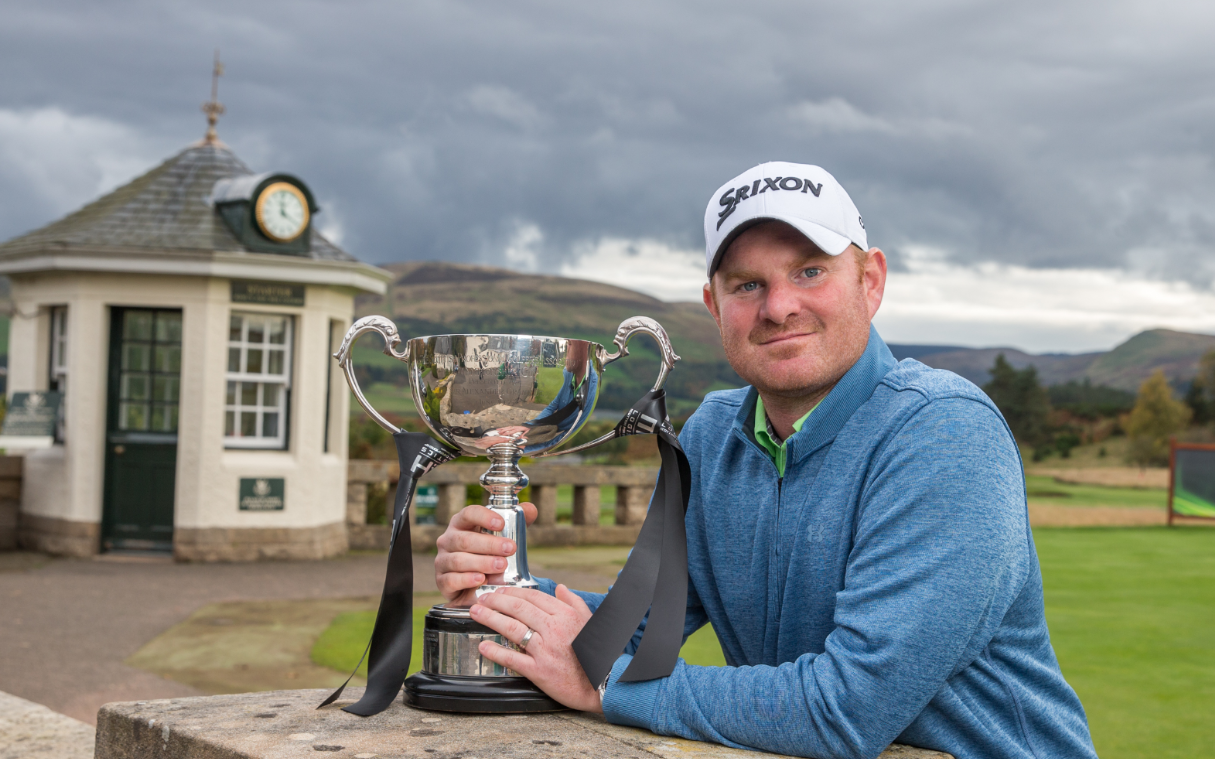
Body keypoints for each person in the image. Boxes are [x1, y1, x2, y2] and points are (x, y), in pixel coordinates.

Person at [433, 162, 1099, 759]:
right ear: (714, 305)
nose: (778, 307)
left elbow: (846, 709)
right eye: (747, 284)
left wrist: (611, 683)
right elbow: (639, 628)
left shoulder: (942, 432)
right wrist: (502, 593)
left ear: (870, 281)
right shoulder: (711, 434)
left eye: (810, 271)